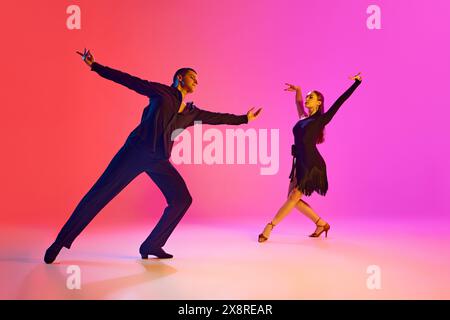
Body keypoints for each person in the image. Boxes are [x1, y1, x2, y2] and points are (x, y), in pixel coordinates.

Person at [44, 49, 262, 263]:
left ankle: (152, 245)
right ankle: (60, 242)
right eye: (192, 77)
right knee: (99, 194)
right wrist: (95, 66)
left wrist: (244, 118)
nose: (196, 81)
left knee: (182, 199)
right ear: (179, 78)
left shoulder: (191, 113)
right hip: (135, 152)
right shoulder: (161, 93)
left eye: (197, 79)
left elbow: (215, 118)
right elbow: (129, 80)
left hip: (159, 159)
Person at [258, 73, 362, 242]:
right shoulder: (303, 118)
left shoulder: (321, 119)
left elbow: (340, 101)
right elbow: (298, 103)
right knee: (293, 199)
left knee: (293, 198)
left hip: (313, 164)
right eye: (307, 97)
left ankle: (269, 227)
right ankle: (321, 223)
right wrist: (298, 90)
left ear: (319, 102)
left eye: (310, 97)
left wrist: (357, 83)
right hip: (299, 162)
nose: (307, 99)